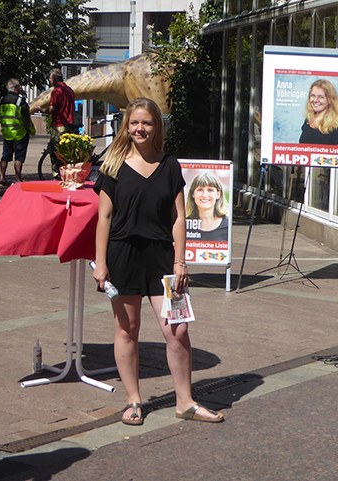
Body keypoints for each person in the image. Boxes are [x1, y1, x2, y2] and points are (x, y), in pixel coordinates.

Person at [92, 97, 225, 426]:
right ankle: (134, 400)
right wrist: (100, 263)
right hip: (122, 255)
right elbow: (104, 218)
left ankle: (186, 402)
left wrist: (181, 261)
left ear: (156, 127)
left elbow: (178, 217)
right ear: (126, 126)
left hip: (164, 258)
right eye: (134, 122)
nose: (140, 128)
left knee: (177, 331)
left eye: (147, 123)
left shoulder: (169, 165)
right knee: (127, 330)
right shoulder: (112, 164)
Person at [32, 68, 75, 177]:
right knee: (67, 151)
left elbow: (52, 110)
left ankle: (57, 174)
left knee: (55, 151)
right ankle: (68, 174)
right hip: (69, 125)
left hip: (59, 125)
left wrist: (41, 110)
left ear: (55, 79)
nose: (49, 81)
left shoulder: (56, 91)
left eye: (50, 79)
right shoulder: (70, 90)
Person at [0, 78, 35, 185]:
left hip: (7, 133)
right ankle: (18, 178)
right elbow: (26, 118)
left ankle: (2, 177)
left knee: (5, 156)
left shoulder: (2, 100)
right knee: (19, 157)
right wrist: (31, 130)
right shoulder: (20, 101)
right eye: (19, 87)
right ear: (16, 88)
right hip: (20, 134)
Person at [299, 78, 338, 146]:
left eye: (321, 97)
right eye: (313, 96)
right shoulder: (308, 120)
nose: (315, 100)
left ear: (329, 100)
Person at [185, 172, 229, 241]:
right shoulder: (184, 224)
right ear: (192, 194)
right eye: (200, 190)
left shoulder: (228, 225)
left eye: (210, 190)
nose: (205, 195)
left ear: (218, 194)